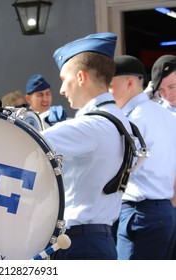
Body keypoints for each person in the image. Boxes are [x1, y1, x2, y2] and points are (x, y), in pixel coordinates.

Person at [41, 32, 134, 260]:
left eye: (64, 79)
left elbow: (27, 141)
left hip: (79, 242)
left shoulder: (91, 126)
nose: (62, 90)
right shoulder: (122, 121)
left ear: (81, 77)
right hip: (97, 239)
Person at [109, 55, 176, 260]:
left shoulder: (133, 119)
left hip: (142, 212)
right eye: (163, 90)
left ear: (129, 83)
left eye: (110, 86)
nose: (107, 93)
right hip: (163, 210)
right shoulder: (165, 115)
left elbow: (115, 169)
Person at [151, 54, 176, 260]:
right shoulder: (158, 113)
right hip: (168, 202)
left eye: (172, 87)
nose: (167, 94)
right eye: (161, 90)